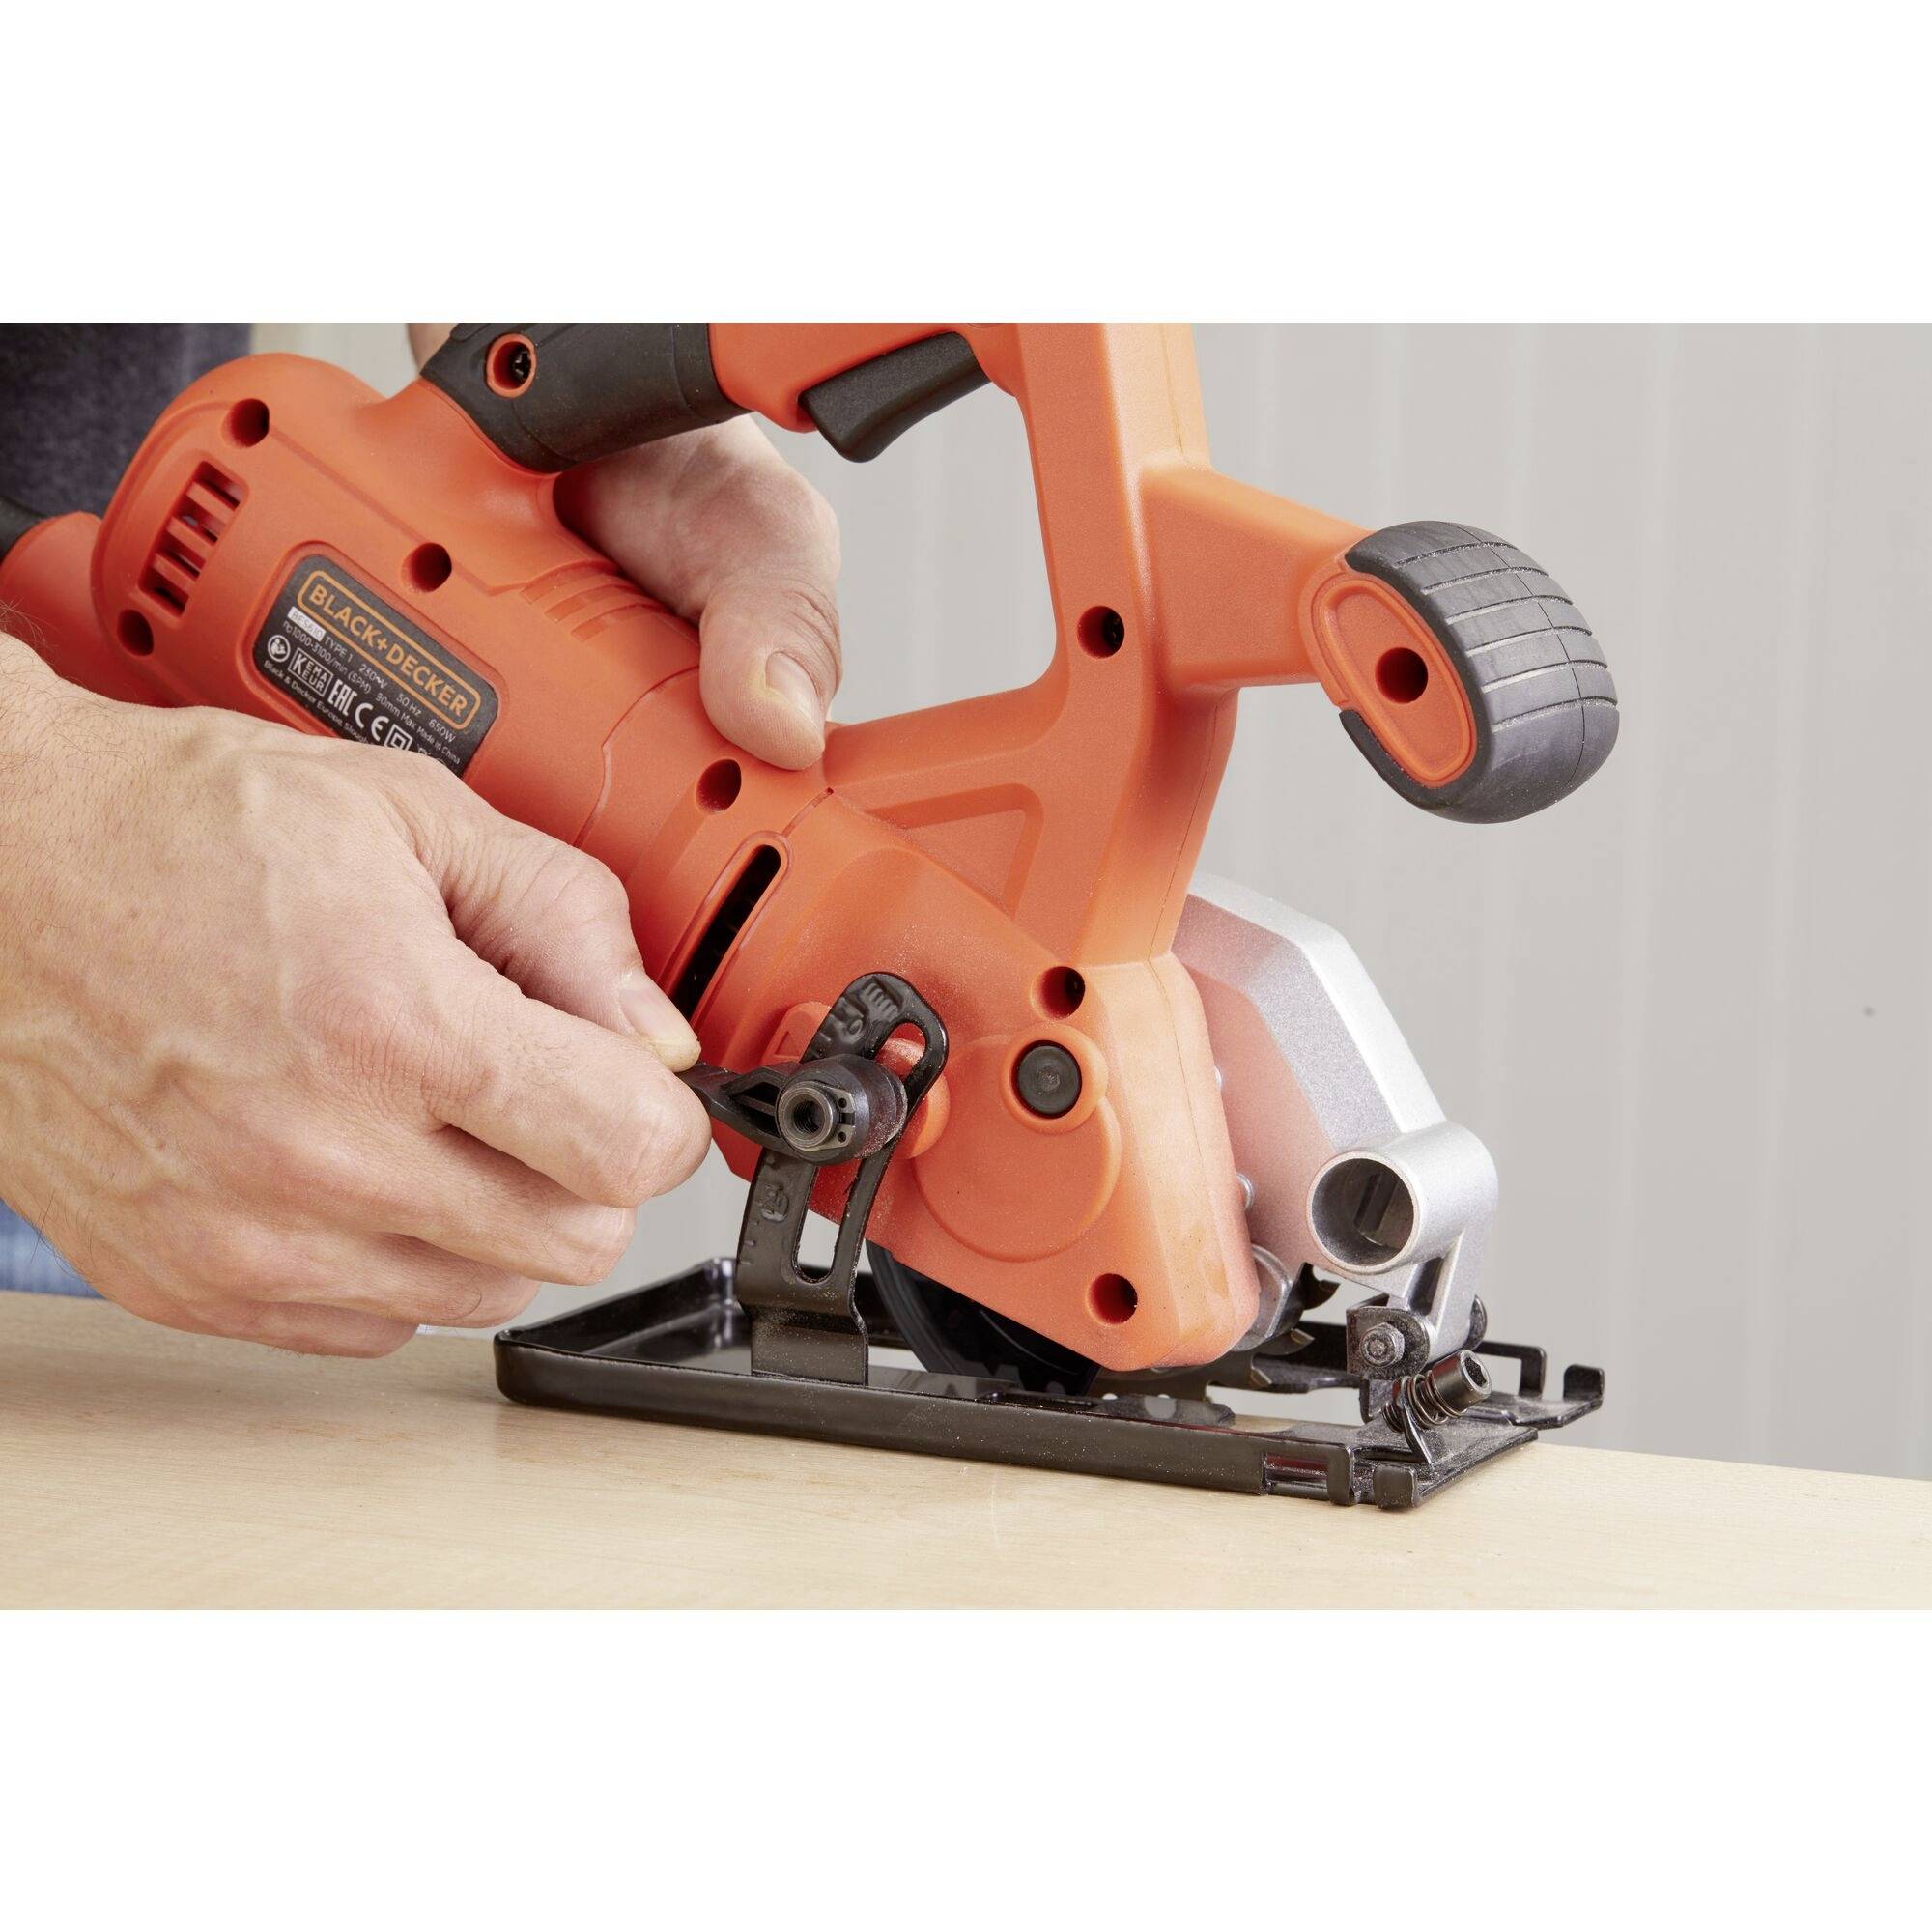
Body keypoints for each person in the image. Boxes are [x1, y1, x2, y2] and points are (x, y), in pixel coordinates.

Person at [0, 323, 843, 1355]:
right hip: (85, 1060)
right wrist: (33, 852)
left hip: (134, 1139)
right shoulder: (188, 539)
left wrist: (594, 361)